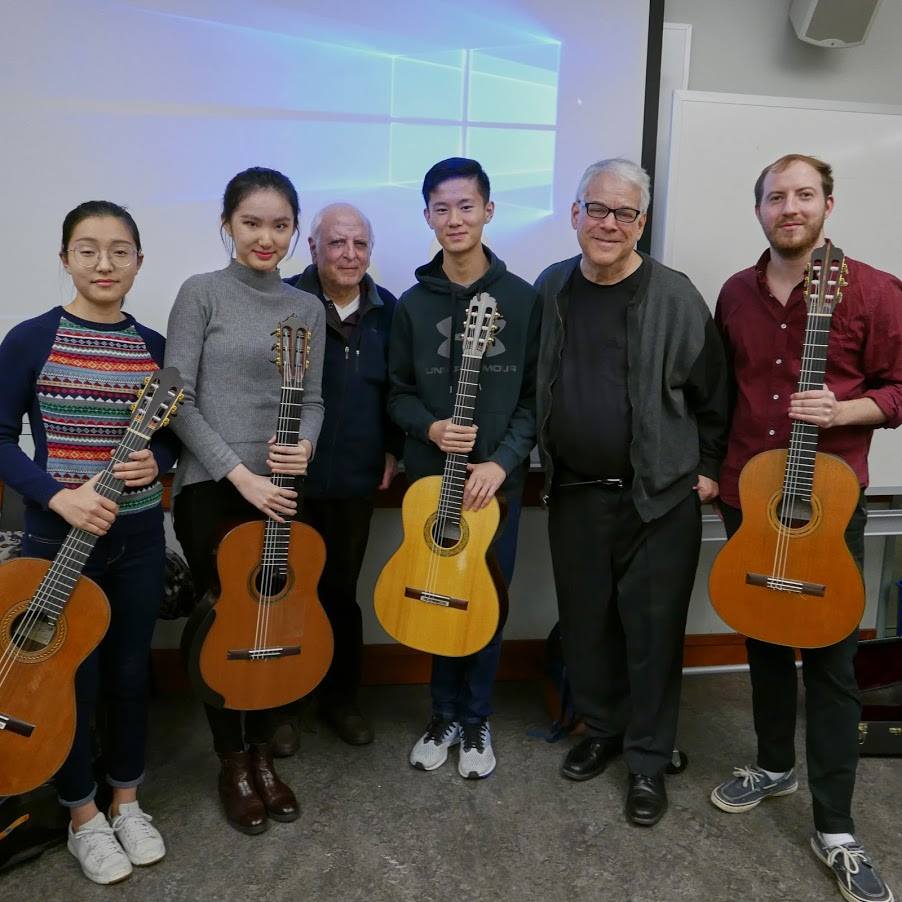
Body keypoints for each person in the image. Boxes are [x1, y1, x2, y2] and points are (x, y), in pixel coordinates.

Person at [710, 153, 902, 902]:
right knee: (760, 636)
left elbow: (898, 388)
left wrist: (845, 410)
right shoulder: (734, 293)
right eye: (775, 196)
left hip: (828, 507)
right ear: (758, 208)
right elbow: (720, 391)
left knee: (829, 662)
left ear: (828, 203)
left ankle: (836, 826)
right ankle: (771, 761)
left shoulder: (879, 293)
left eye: (803, 194)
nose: (789, 207)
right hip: (747, 495)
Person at [534, 158, 728, 826]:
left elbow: (714, 394)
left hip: (659, 498)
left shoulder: (675, 295)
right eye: (597, 209)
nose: (608, 224)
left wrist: (705, 467)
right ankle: (603, 730)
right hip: (577, 494)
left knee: (651, 635)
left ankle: (648, 761)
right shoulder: (552, 286)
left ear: (642, 223)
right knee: (588, 628)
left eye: (624, 213)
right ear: (575, 214)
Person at [0, 201, 178, 884]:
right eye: (87, 249)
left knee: (132, 673)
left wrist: (154, 464)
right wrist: (56, 494)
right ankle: (82, 816)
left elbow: (166, 439)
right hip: (55, 538)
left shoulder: (154, 348)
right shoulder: (31, 339)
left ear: (138, 260)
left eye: (120, 250)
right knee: (66, 679)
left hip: (134, 538)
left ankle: (127, 799)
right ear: (65, 258)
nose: (105, 264)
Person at [165, 167, 325, 835]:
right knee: (225, 631)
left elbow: (312, 400)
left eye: (280, 225)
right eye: (252, 222)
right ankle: (232, 761)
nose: (267, 237)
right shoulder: (200, 294)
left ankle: (262, 753)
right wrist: (238, 474)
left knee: (276, 625)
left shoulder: (306, 308)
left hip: (282, 495)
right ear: (227, 224)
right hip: (213, 491)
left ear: (294, 231)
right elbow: (178, 400)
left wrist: (305, 448)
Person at [388, 157, 539, 779]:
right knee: (434, 596)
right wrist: (429, 426)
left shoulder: (524, 300)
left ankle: (476, 718)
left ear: (489, 210)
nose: (455, 219)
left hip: (493, 488)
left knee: (484, 601)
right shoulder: (410, 305)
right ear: (427, 215)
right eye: (441, 209)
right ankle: (442, 712)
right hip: (430, 487)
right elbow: (394, 393)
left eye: (466, 206)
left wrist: (501, 464)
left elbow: (535, 399)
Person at [280, 203, 402, 748]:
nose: (350, 255)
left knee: (339, 594)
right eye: (337, 243)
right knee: (283, 592)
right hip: (286, 482)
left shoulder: (390, 313)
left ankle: (340, 700)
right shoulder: (283, 302)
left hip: (354, 483)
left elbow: (402, 391)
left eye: (360, 244)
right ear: (313, 248)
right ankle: (281, 705)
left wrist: (395, 449)